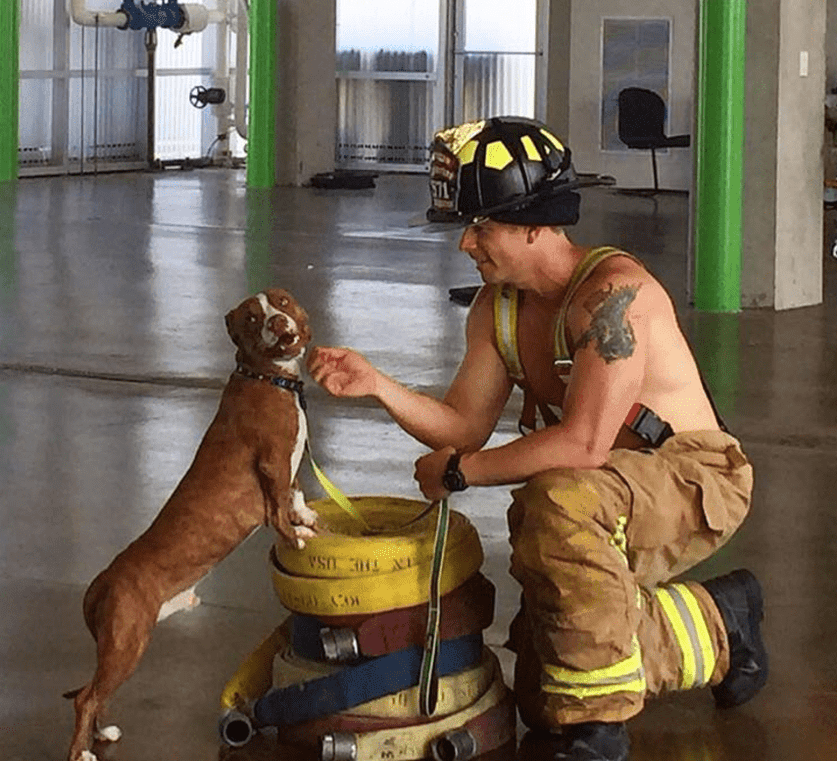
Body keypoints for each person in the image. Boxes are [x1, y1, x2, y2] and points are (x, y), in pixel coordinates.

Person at [308, 116, 766, 761]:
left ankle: (598, 732)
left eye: (482, 226)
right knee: (549, 683)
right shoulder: (497, 308)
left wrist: (463, 472)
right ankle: (724, 620)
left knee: (556, 505)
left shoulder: (613, 298)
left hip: (693, 476)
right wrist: (379, 385)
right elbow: (463, 426)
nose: (467, 243)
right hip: (607, 490)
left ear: (534, 224)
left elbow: (581, 445)